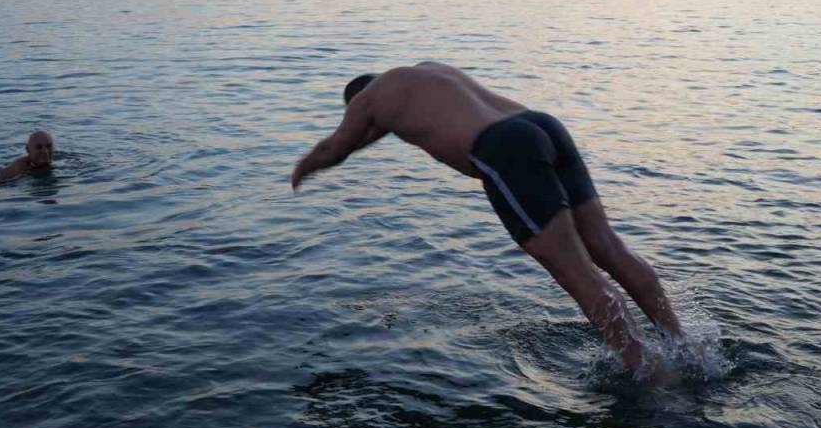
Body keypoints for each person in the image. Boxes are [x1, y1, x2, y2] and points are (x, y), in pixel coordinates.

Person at [291, 62, 685, 375]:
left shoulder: (368, 102)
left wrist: (302, 169)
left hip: (504, 149)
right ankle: (683, 345)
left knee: (577, 275)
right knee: (609, 248)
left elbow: (336, 147)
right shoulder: (425, 74)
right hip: (542, 126)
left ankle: (648, 373)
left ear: (357, 101)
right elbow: (379, 130)